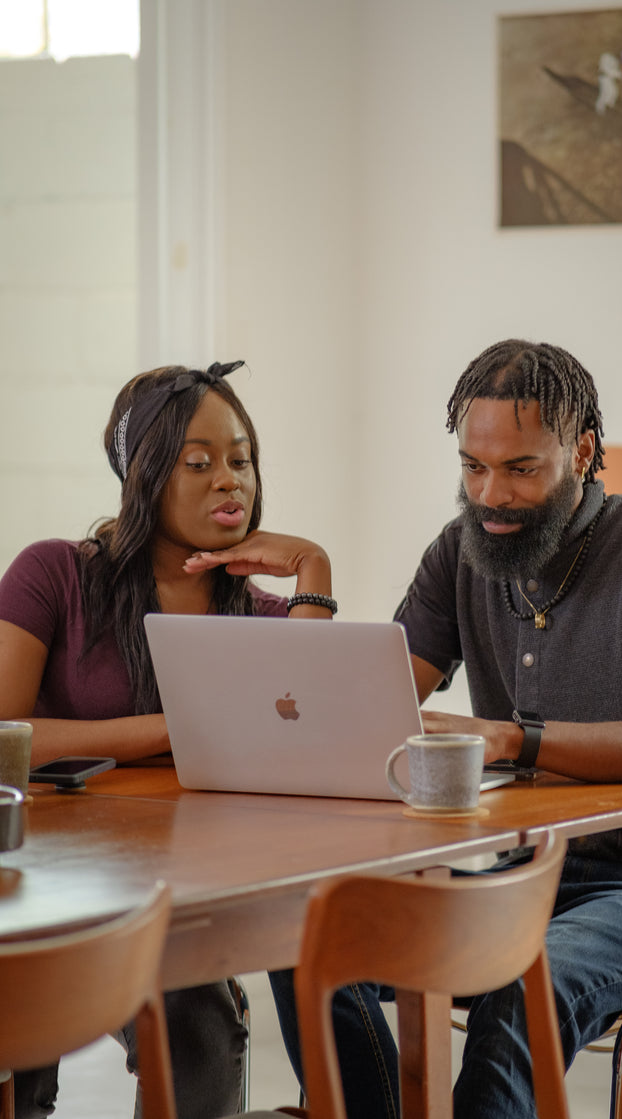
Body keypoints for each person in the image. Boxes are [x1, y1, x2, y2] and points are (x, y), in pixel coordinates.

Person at [269, 339, 622, 1119]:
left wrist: (515, 738)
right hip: (524, 882)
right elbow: (363, 710)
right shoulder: (461, 553)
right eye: (472, 467)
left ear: (584, 450)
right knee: (306, 936)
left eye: (521, 469)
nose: (491, 495)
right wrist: (311, 581)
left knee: (526, 981)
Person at [0, 360, 336, 1119]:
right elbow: (3, 736)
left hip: (179, 896)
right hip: (43, 882)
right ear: (145, 474)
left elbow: (306, 725)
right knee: (17, 1047)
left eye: (242, 459)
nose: (229, 480)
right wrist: (177, 727)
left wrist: (311, 568)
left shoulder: (257, 615)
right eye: (199, 462)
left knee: (203, 1029)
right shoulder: (52, 574)